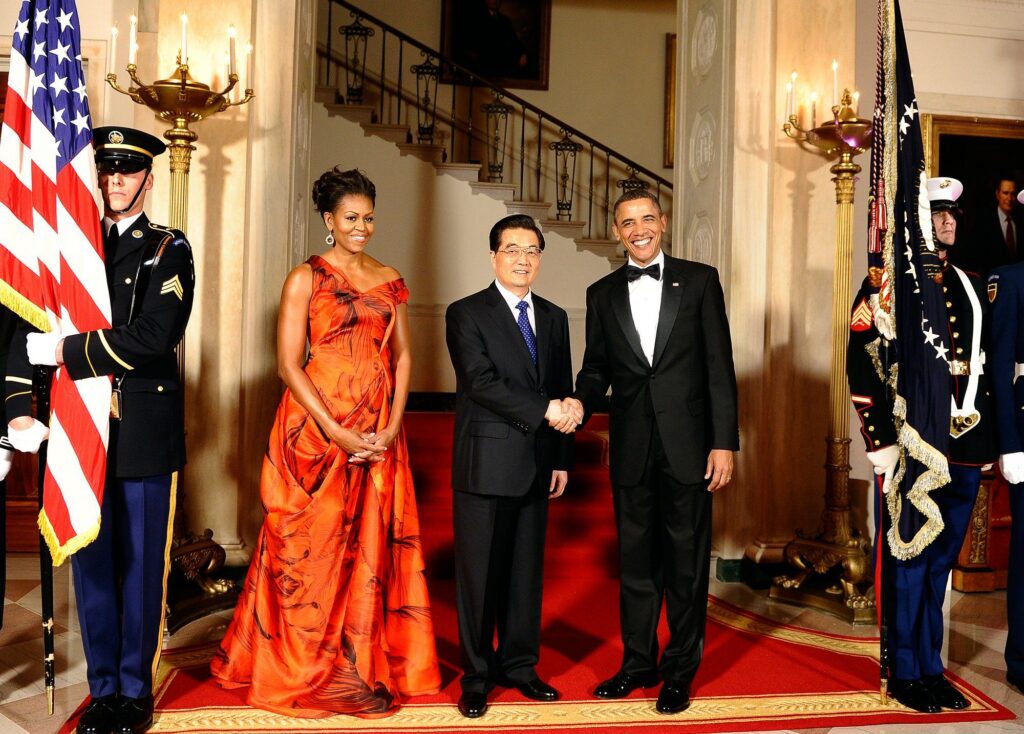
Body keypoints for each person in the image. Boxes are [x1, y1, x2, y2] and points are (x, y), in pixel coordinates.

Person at [211, 168, 440, 718]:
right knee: (308, 552)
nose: (361, 227)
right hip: (314, 429)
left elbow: (403, 356)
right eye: (350, 218)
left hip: (379, 427)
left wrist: (392, 424)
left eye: (368, 217)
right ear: (328, 221)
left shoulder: (390, 279)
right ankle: (298, 664)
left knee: (367, 547)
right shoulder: (304, 278)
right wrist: (335, 431)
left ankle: (353, 664)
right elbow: (289, 363)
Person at [6, 126, 195, 734]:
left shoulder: (169, 248)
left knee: (138, 567)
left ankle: (136, 691)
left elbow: (152, 339)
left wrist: (64, 350)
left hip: (140, 428)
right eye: (107, 170)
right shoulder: (68, 247)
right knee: (89, 563)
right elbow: (21, 326)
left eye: (127, 170)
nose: (115, 181)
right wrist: (17, 407)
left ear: (147, 177)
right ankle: (105, 687)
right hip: (75, 430)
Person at [565, 189, 738, 715]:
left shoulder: (701, 280)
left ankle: (681, 670)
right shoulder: (601, 293)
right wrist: (579, 399)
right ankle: (638, 662)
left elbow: (719, 369)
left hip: (690, 447)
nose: (638, 230)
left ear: (662, 223)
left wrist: (724, 442)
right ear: (617, 232)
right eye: (626, 223)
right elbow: (597, 368)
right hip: (632, 449)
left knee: (685, 566)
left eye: (646, 219)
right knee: (637, 566)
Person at [847, 176, 995, 713]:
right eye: (935, 213)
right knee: (910, 560)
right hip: (912, 445)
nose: (946, 222)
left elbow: (984, 367)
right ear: (916, 220)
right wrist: (880, 442)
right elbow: (860, 359)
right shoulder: (888, 284)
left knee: (939, 565)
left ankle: (932, 667)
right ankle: (906, 670)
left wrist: (991, 446)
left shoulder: (974, 285)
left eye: (952, 214)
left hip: (966, 445)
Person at [444, 213, 575, 719]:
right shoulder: (465, 313)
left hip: (538, 462)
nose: (523, 259)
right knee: (479, 577)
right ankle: (476, 677)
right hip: (485, 462)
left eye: (532, 251)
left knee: (525, 574)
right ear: (494, 256)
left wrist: (561, 457)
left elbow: (561, 385)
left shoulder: (556, 317)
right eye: (512, 250)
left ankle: (519, 667)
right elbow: (479, 382)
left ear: (541, 258)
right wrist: (545, 411)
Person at [987, 186, 1024, 697]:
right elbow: (999, 363)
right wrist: (1010, 443)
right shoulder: (1011, 282)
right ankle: (1022, 659)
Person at [965, 176, 1024, 275]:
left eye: (1013, 194)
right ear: (997, 194)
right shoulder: (983, 222)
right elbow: (975, 258)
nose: (1009, 198)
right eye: (1005, 193)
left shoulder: (1021, 221)